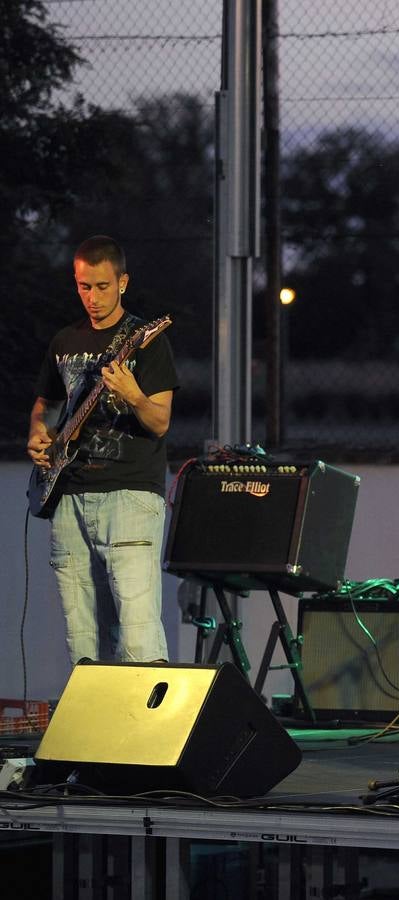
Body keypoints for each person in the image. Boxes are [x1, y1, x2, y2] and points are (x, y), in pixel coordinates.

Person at [27, 235, 178, 665]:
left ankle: (148, 728)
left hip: (129, 494)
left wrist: (133, 395)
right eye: (83, 287)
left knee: (136, 633)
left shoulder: (146, 340)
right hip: (67, 495)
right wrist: (39, 434)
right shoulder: (63, 341)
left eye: (102, 287)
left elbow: (160, 422)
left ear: (123, 283)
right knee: (82, 637)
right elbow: (46, 404)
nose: (91, 298)